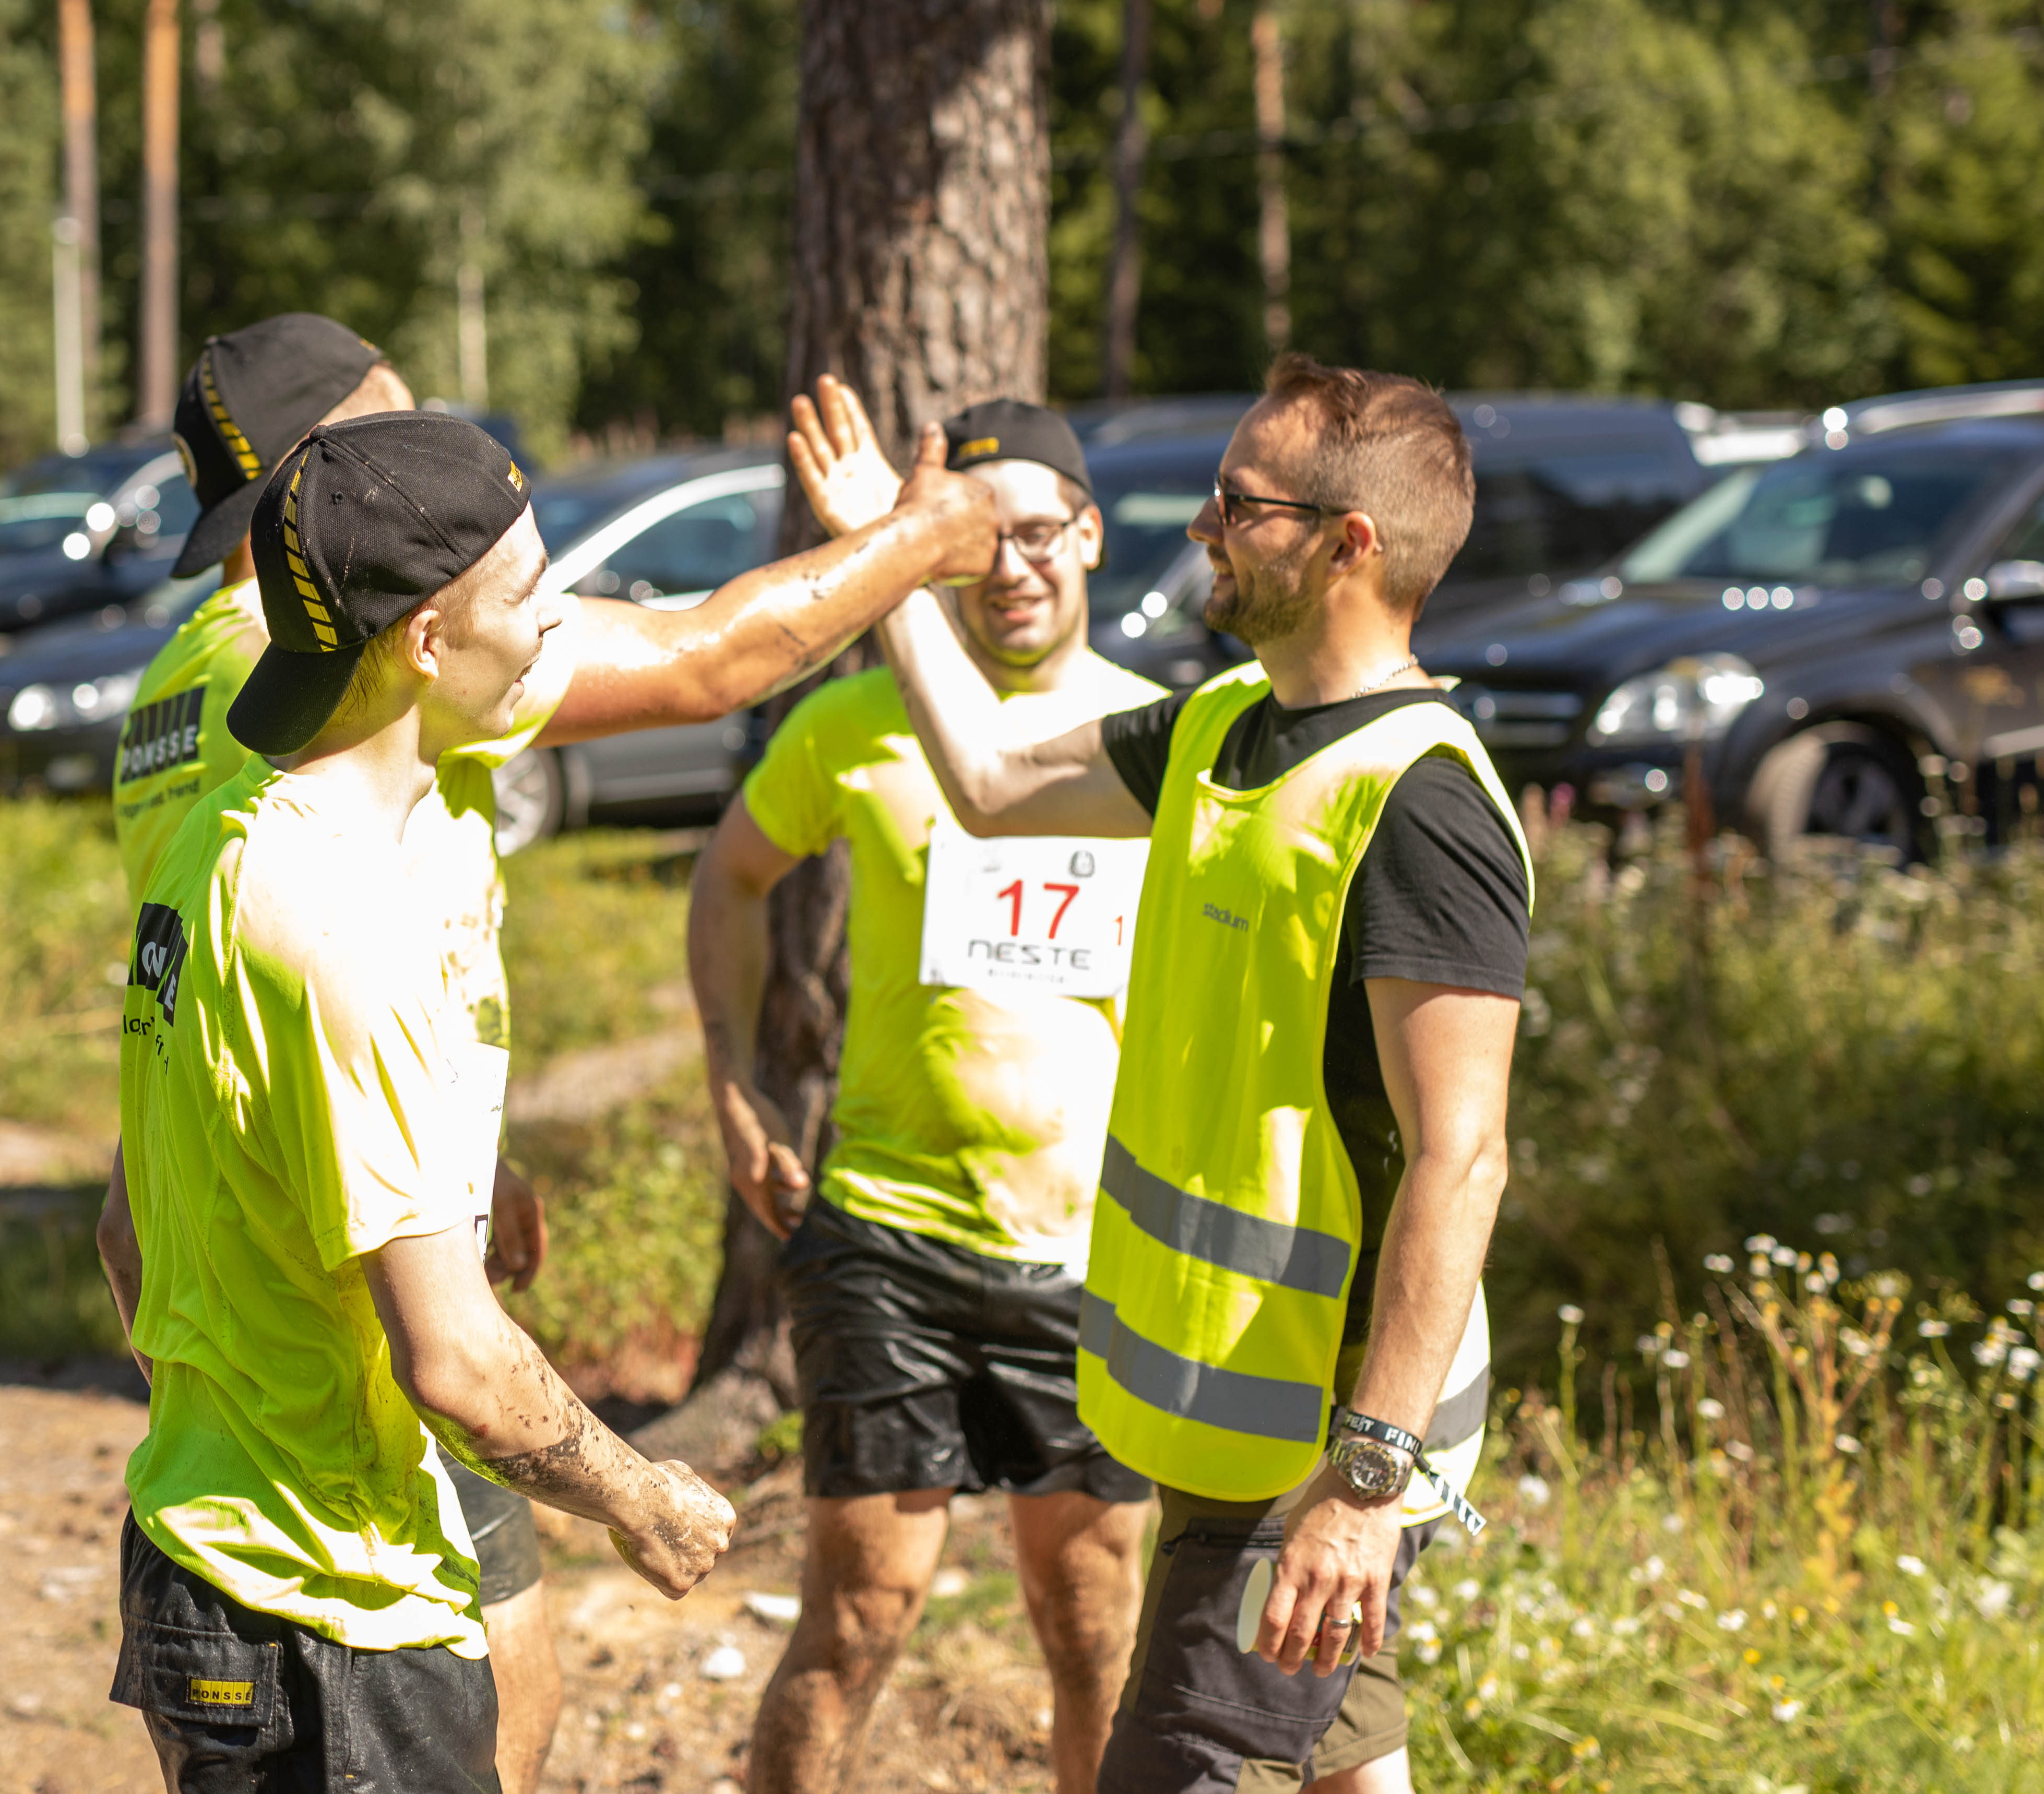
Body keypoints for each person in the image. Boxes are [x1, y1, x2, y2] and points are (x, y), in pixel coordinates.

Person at [95, 322, 995, 1792]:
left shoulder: (207, 723)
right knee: (495, 1709)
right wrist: (926, 535)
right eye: (527, 593)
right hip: (335, 1505)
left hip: (254, 1421)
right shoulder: (365, 722)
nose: (553, 617)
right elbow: (718, 656)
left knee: (510, 1683)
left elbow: (183, 1109)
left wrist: (424, 1161)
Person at [805, 358, 1532, 1794]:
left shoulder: (1420, 800)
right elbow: (992, 786)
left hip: (1317, 1443)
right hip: (1225, 1406)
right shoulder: (1218, 728)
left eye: (1237, 502)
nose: (1199, 525)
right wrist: (892, 561)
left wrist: (1366, 1483)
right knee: (1342, 1759)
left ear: (1348, 543)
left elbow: (1465, 1156)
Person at [111, 412, 738, 1792]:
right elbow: (458, 1364)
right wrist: (642, 1498)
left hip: (203, 1558)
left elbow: (126, 1229)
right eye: (527, 595)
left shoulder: (212, 843)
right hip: (325, 1622)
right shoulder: (346, 937)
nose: (556, 624)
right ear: (428, 644)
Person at [690, 397, 1162, 1794]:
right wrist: (733, 1075)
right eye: (972, 544)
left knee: (1089, 1628)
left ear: (1085, 532)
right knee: (857, 1616)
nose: (1008, 569)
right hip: (889, 1233)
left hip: (1097, 1256)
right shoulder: (852, 722)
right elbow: (729, 876)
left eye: (1035, 534)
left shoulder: (1151, 733)